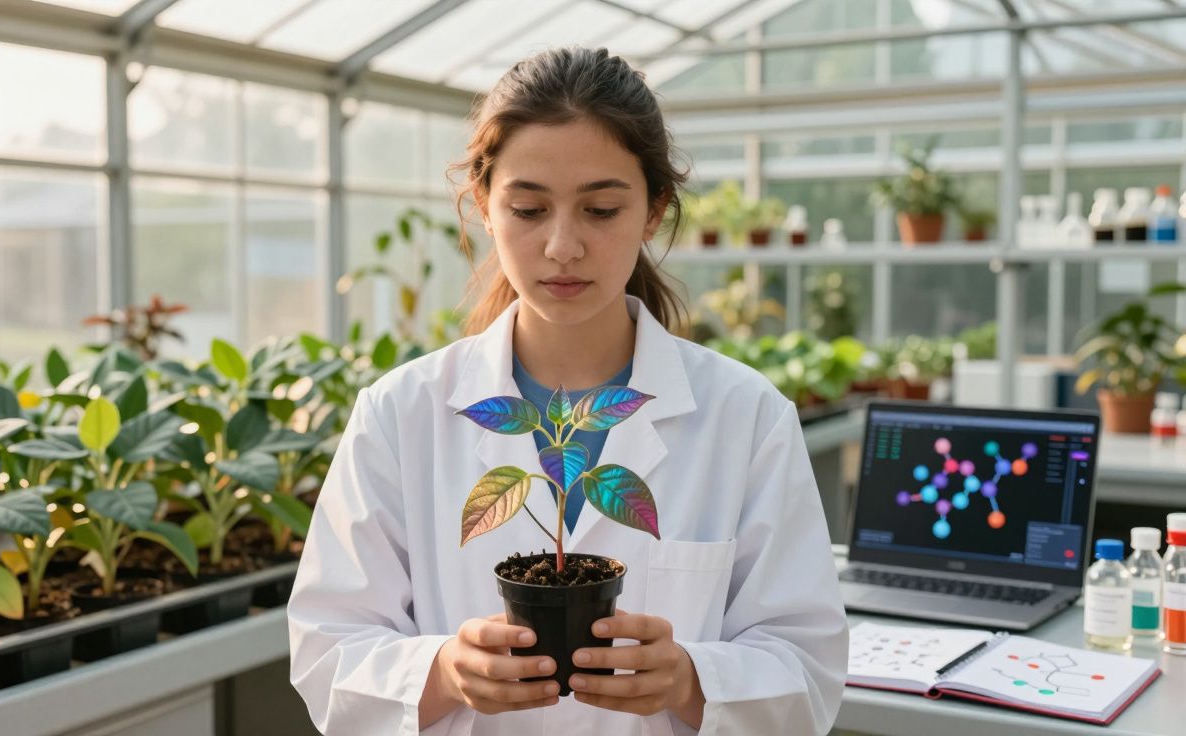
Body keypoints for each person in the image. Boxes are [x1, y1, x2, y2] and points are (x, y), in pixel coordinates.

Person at [288, 46, 847, 735]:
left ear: (653, 211)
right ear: (485, 207)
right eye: (528, 208)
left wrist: (691, 680)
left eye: (601, 210)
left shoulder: (746, 416)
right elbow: (328, 648)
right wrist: (442, 672)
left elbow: (807, 665)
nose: (562, 246)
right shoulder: (401, 414)